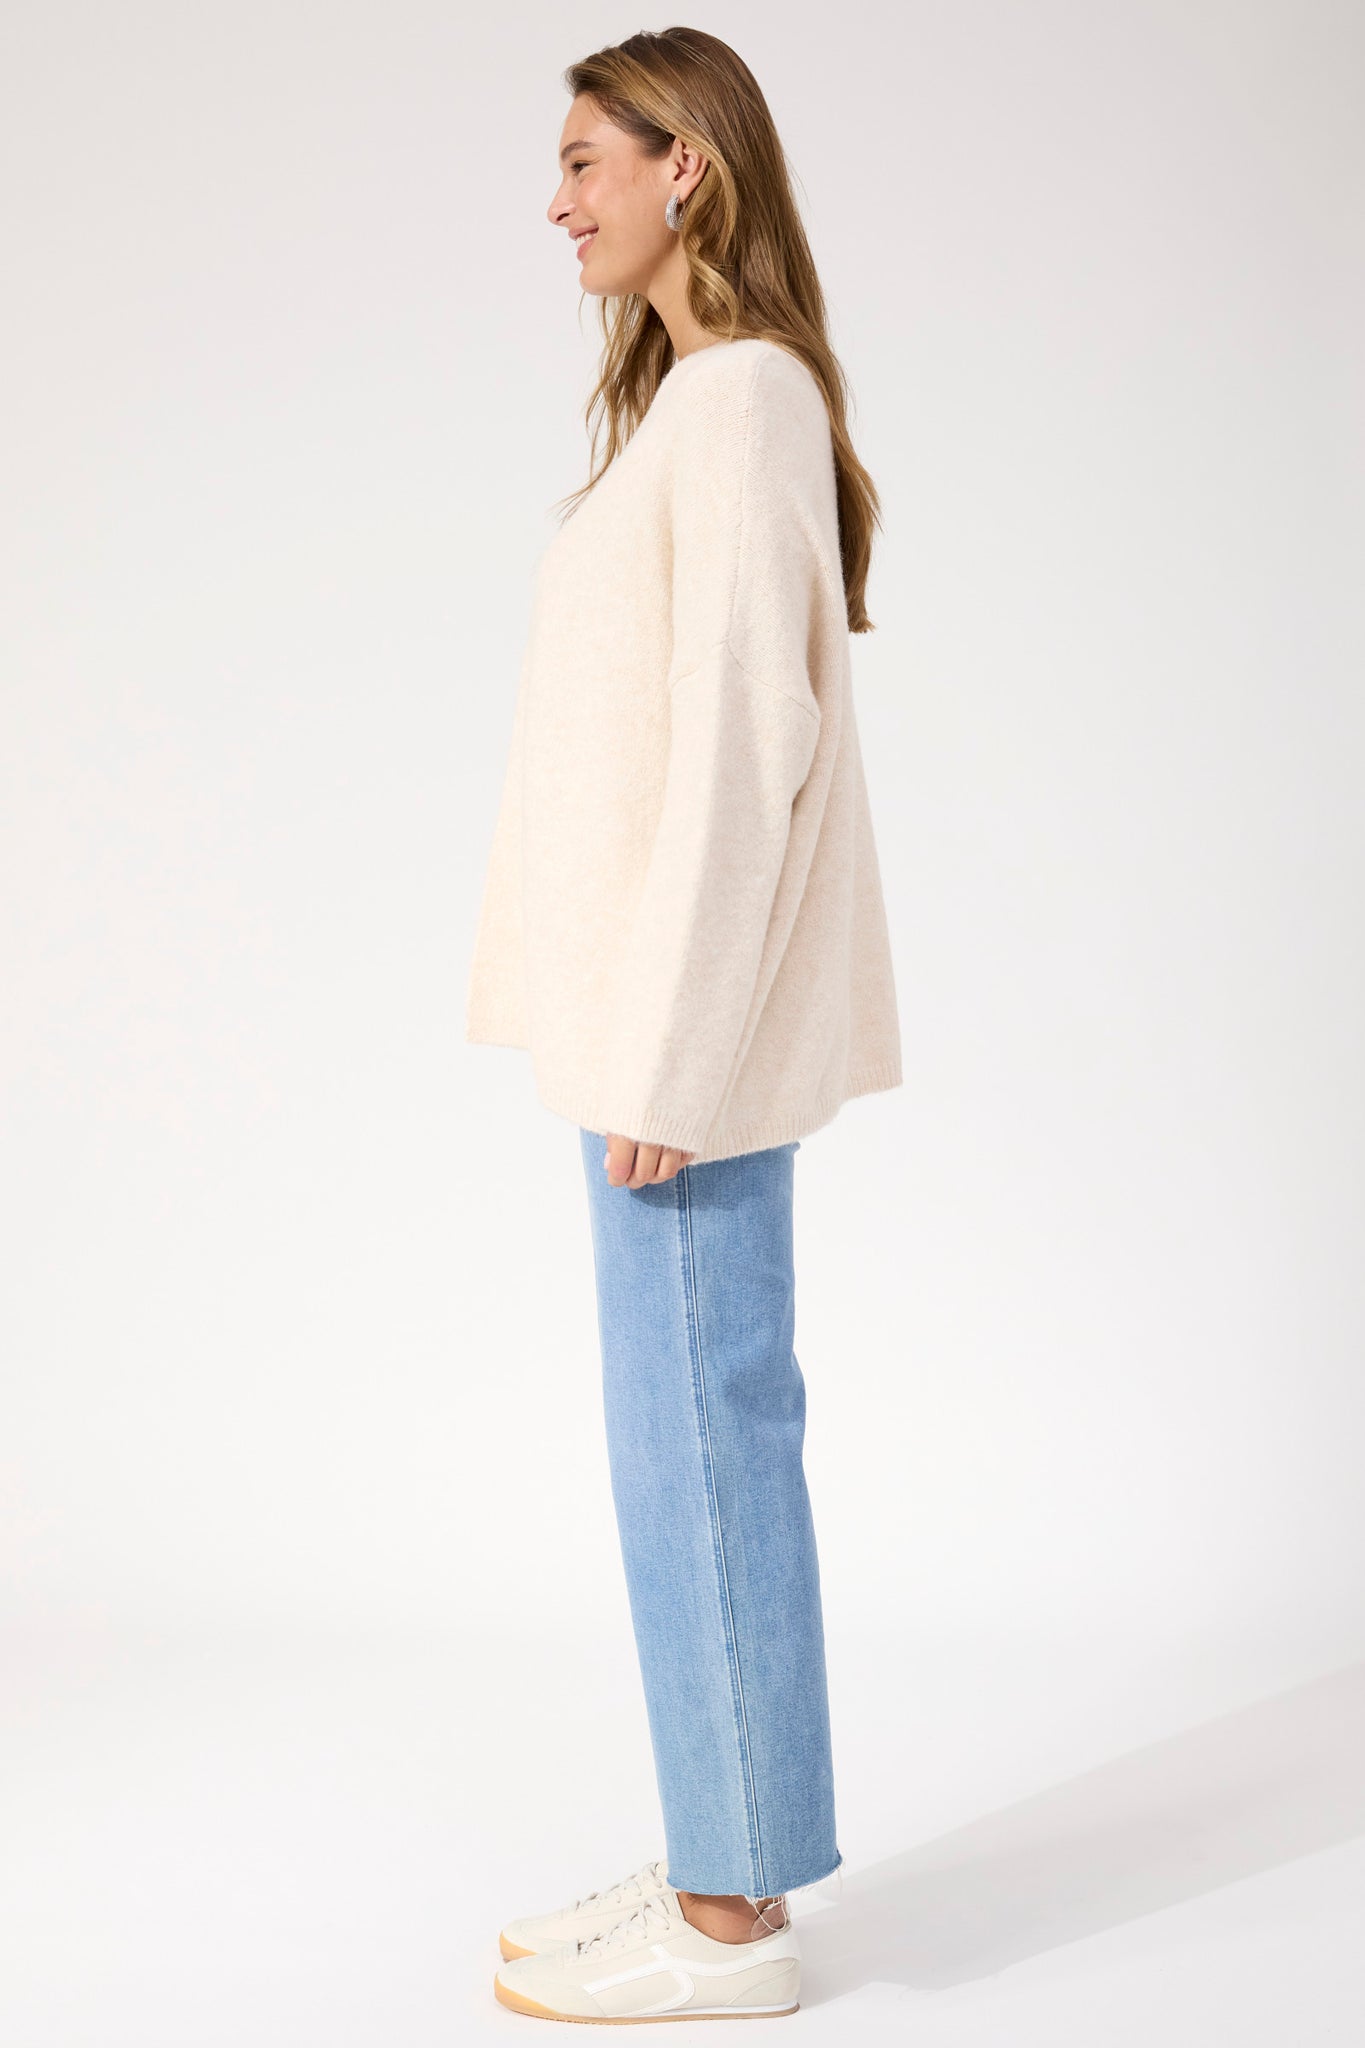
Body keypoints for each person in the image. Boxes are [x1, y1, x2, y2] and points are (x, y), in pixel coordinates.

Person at [465, 27, 902, 2024]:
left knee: (703, 1440)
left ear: (684, 171)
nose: (557, 200)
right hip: (651, 1022)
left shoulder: (735, 399)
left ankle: (729, 1926)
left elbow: (744, 743)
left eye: (586, 160)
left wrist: (677, 1051)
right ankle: (719, 1842)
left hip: (678, 1041)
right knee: (687, 1436)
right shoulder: (703, 404)